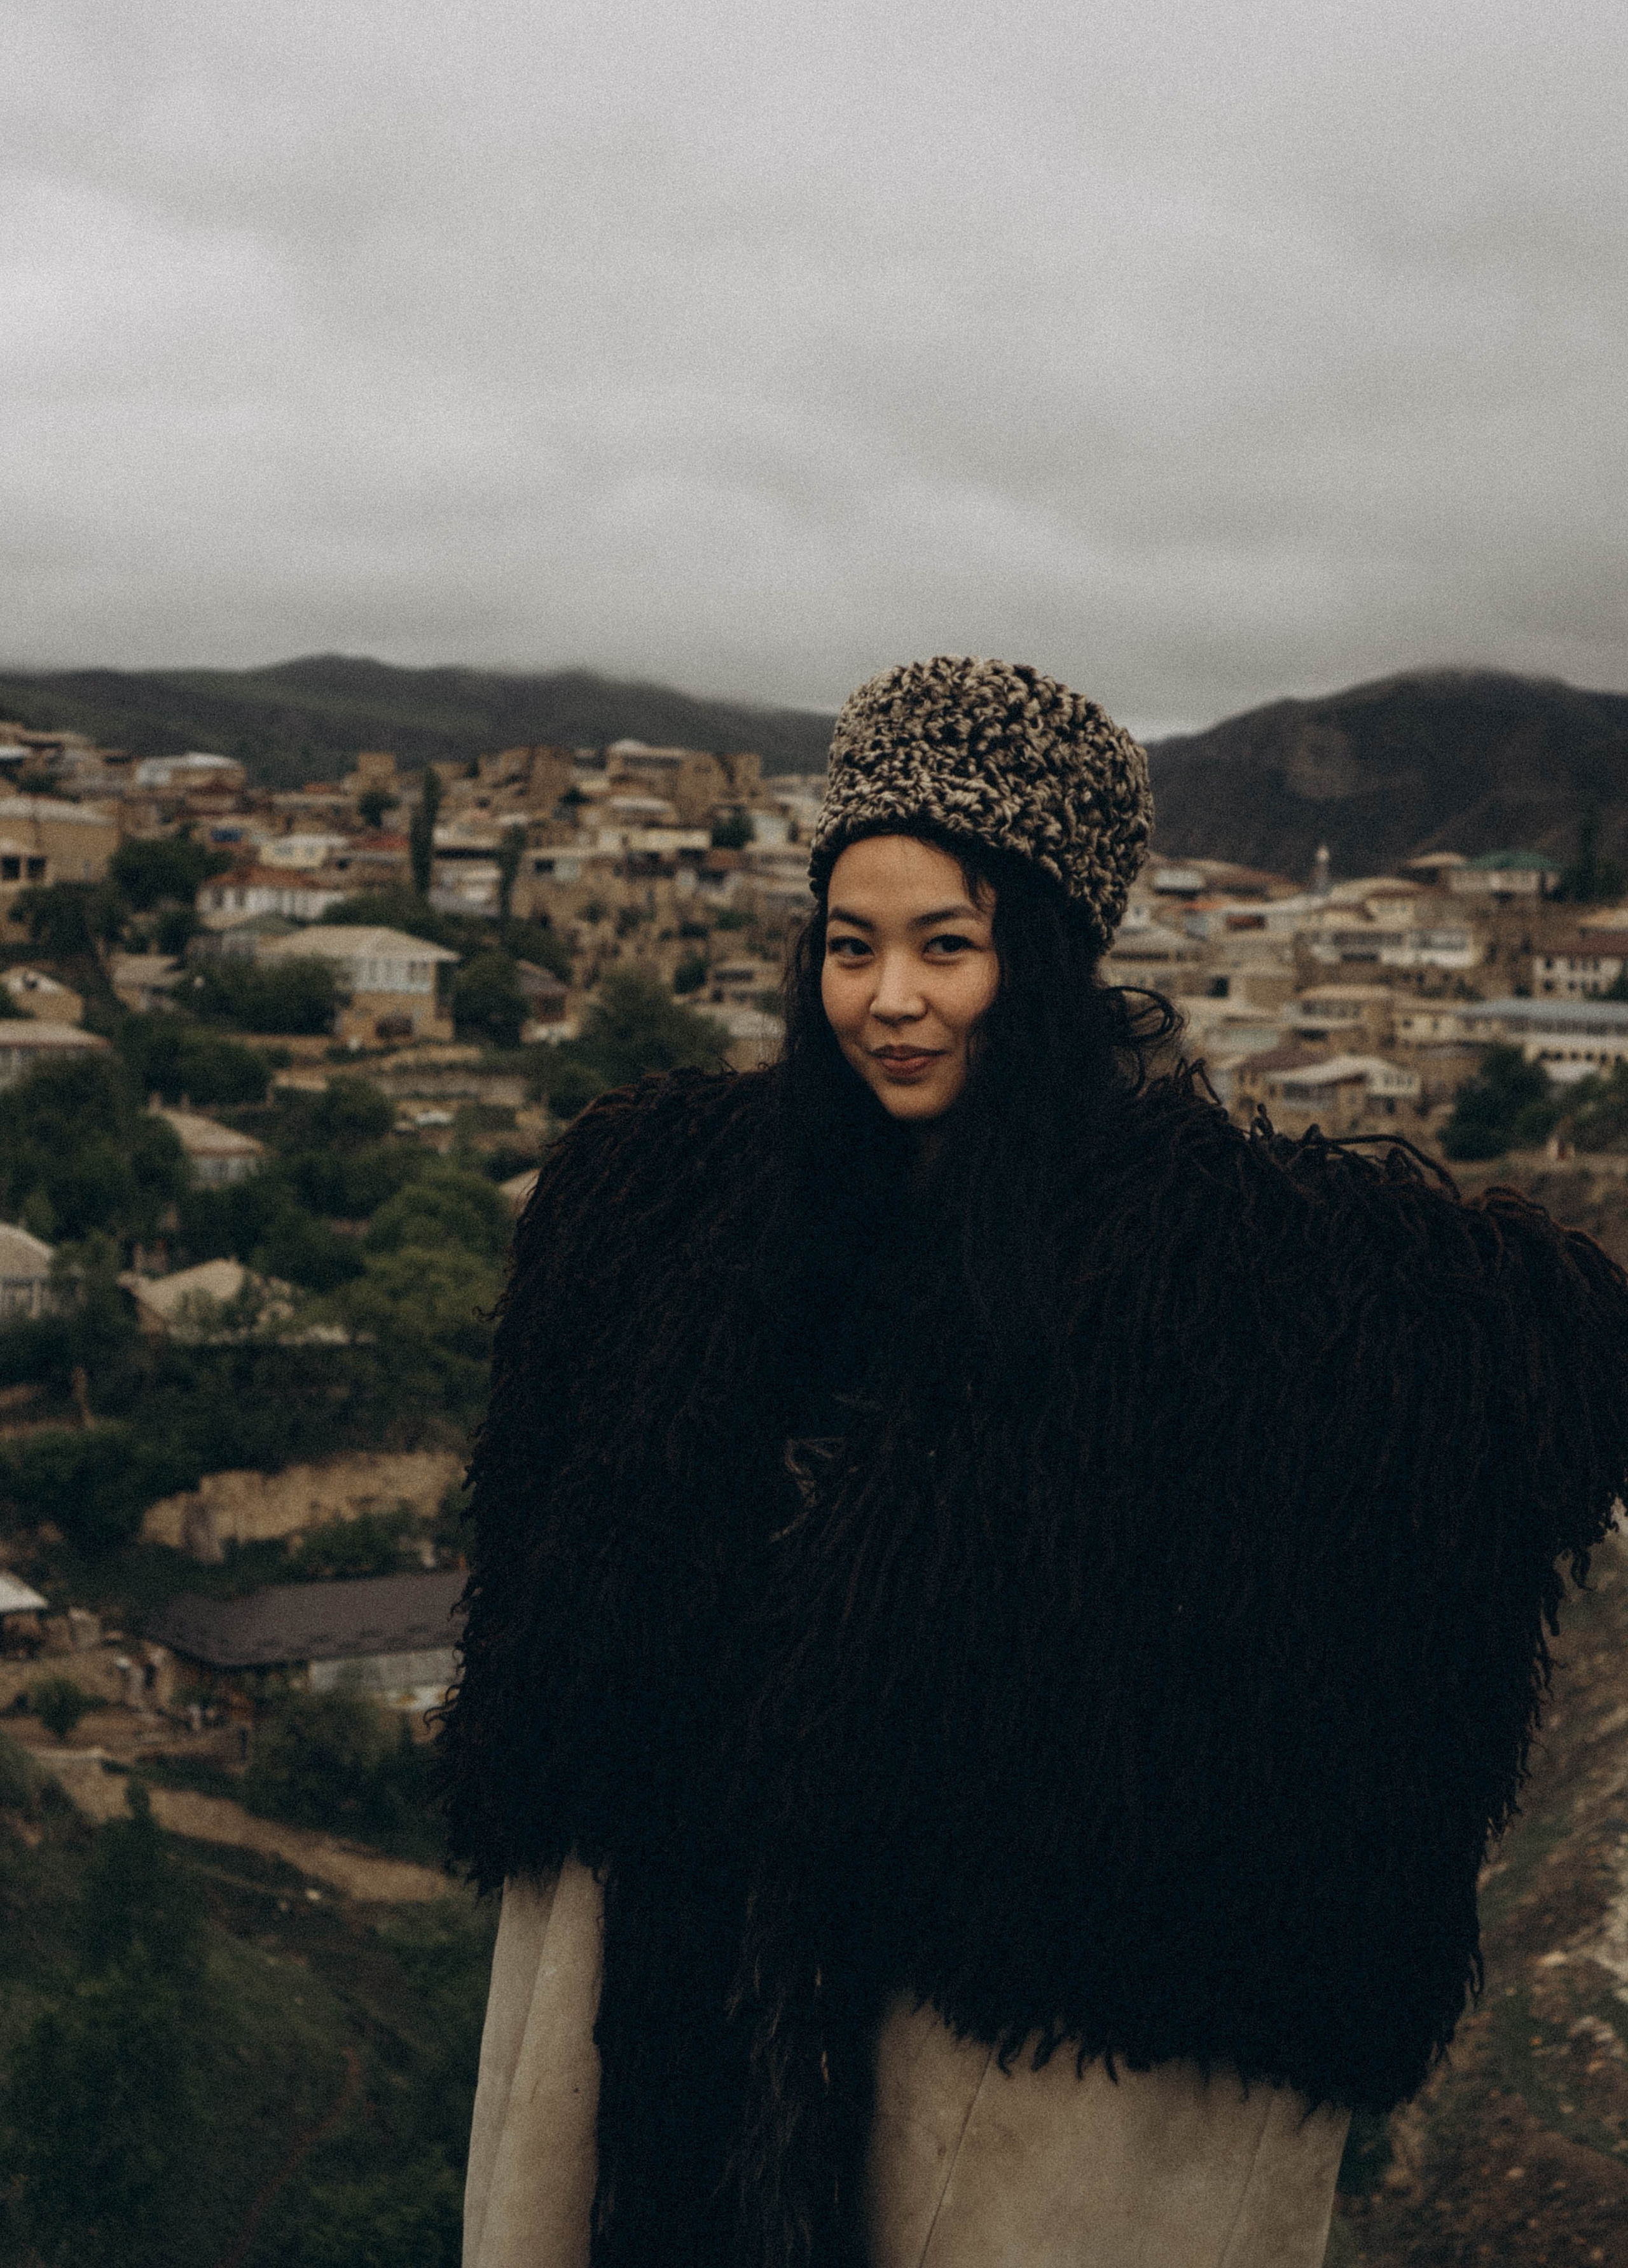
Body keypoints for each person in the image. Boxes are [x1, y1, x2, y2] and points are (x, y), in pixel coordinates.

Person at [445, 656, 1628, 2268]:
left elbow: (1488, 1382)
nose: (890, 1000)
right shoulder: (672, 1208)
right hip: (667, 1960)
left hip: (964, 2010)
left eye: (950, 947)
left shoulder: (1205, 1262)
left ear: (1050, 958)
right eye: (851, 949)